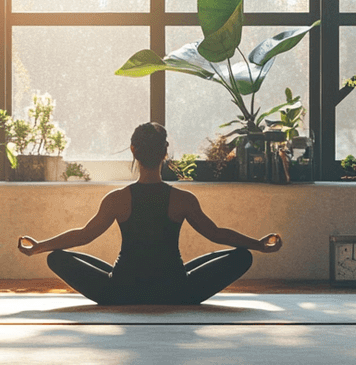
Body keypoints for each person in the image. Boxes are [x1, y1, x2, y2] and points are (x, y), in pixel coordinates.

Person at [18, 122, 282, 305]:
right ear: (165, 152)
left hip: (121, 291)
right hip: (177, 290)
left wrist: (40, 247)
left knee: (57, 258)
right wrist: (257, 245)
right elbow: (215, 234)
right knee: (242, 257)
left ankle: (123, 280)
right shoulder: (183, 199)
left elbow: (84, 235)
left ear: (134, 150)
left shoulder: (117, 199)